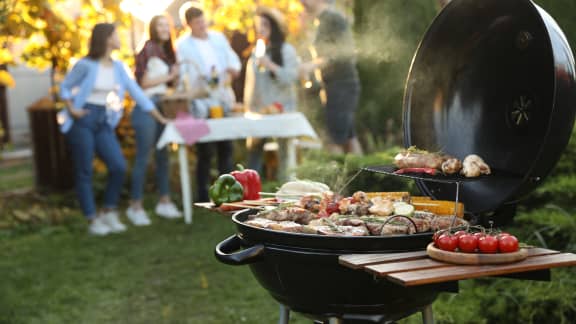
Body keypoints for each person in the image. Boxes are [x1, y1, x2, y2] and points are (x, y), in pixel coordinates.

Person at [59, 23, 168, 236]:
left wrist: (160, 117)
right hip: (83, 120)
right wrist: (72, 109)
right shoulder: (85, 64)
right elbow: (65, 87)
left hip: (103, 120)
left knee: (118, 166)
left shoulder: (118, 67)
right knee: (85, 170)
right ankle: (92, 219)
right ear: (107, 38)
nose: (120, 38)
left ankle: (108, 210)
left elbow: (137, 93)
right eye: (116, 35)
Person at [176, 6, 241, 202]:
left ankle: (228, 193)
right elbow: (182, 75)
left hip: (222, 97)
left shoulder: (218, 38)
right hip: (200, 101)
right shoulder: (183, 45)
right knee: (204, 149)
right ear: (189, 24)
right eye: (197, 23)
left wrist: (232, 70)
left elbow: (232, 61)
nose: (202, 25)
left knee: (226, 147)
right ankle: (204, 195)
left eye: (203, 21)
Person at [127, 15, 182, 226]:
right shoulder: (147, 50)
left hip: (164, 106)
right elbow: (143, 83)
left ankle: (164, 201)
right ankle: (136, 206)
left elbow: (169, 85)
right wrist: (169, 77)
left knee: (163, 155)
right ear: (152, 28)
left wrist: (174, 77)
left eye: (166, 25)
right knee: (143, 156)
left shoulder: (168, 53)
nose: (164, 28)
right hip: (146, 108)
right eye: (159, 25)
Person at [243, 7, 300, 181]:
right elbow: (251, 84)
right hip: (260, 112)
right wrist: (248, 107)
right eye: (258, 25)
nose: (261, 29)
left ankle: (287, 192)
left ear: (274, 27)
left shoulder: (286, 50)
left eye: (265, 25)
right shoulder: (257, 52)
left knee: (285, 153)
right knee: (254, 152)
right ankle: (250, 193)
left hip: (282, 110)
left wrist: (271, 65)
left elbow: (292, 77)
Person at [299, 0, 363, 155]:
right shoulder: (321, 20)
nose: (301, 1)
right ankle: (362, 176)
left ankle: (335, 178)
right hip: (335, 87)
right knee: (348, 137)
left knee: (333, 140)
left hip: (342, 86)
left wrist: (310, 66)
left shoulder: (333, 18)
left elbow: (343, 52)